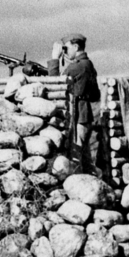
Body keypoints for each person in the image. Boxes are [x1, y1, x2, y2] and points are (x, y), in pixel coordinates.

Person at [48, 33, 100, 173]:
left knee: (76, 154)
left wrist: (54, 59)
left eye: (66, 48)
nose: (64, 51)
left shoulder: (76, 67)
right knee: (84, 156)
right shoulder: (88, 64)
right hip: (84, 114)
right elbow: (96, 95)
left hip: (77, 116)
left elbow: (55, 85)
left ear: (76, 47)